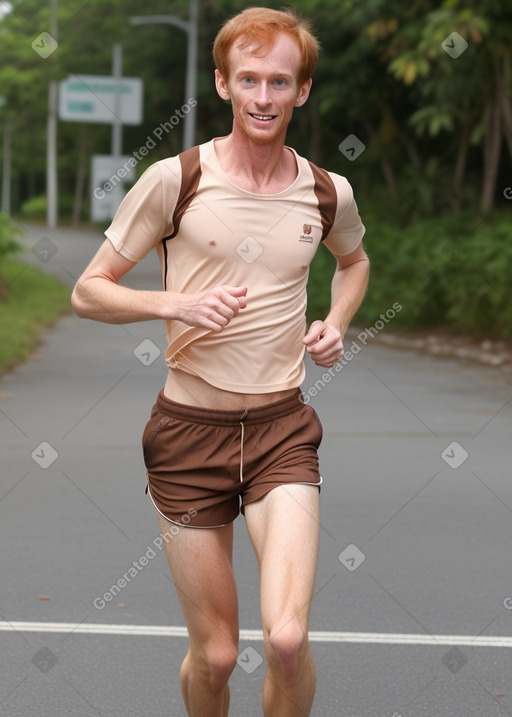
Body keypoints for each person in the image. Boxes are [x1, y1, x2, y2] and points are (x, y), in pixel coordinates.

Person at [72, 6, 369, 716]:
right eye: (248, 80)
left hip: (281, 431)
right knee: (216, 656)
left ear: (301, 91)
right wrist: (173, 306)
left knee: (289, 638)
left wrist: (336, 321)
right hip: (186, 435)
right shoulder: (177, 180)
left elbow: (354, 263)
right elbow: (89, 291)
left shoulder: (328, 191)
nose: (263, 97)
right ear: (223, 84)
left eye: (279, 81)